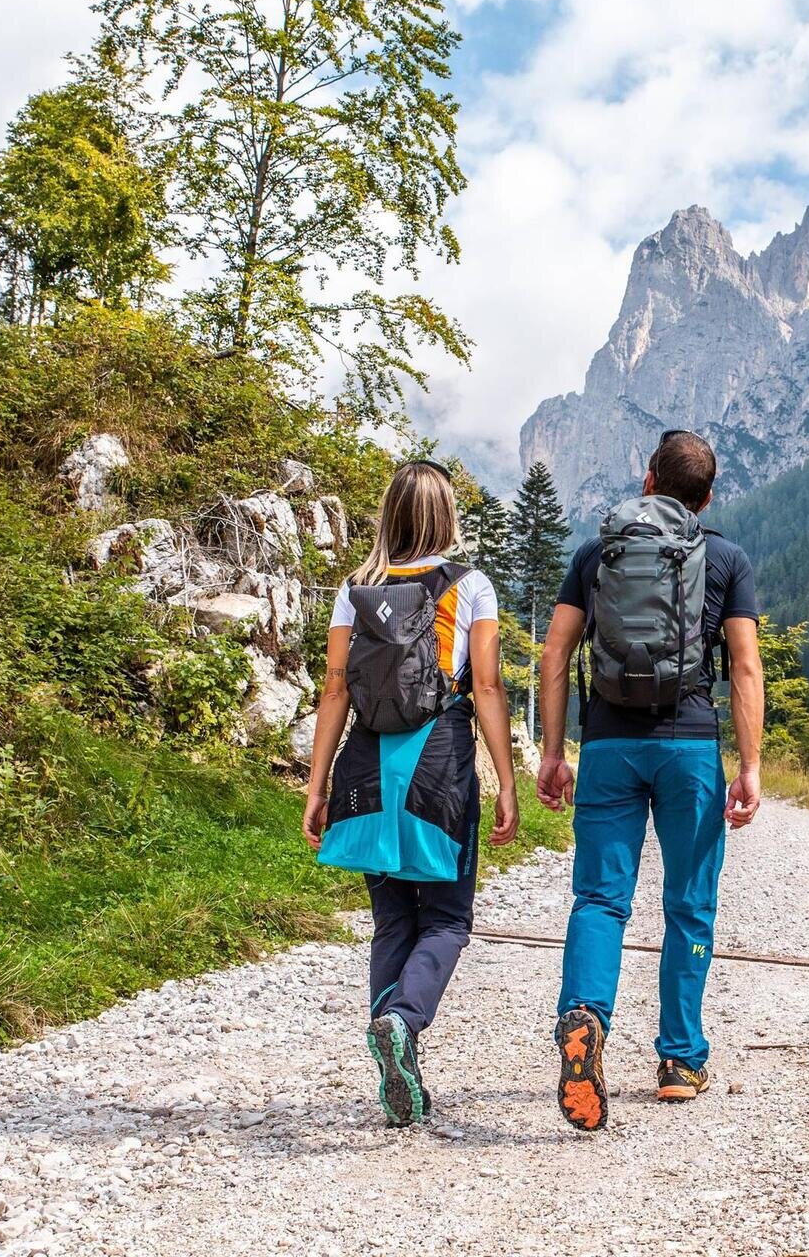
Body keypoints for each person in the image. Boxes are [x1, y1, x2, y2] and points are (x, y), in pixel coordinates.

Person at [536, 429, 764, 1132]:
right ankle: (679, 1060)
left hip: (607, 746)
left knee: (601, 898)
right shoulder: (725, 557)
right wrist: (751, 766)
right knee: (688, 904)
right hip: (689, 749)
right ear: (707, 496)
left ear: (647, 480)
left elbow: (554, 653)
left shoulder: (595, 553)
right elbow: (747, 668)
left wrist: (552, 750)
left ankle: (584, 1015)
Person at [301, 459, 519, 1127]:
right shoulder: (470, 586)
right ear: (447, 515)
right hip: (439, 762)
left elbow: (335, 689)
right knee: (448, 918)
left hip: (366, 763)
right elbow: (484, 686)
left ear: (389, 514)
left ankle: (395, 1053)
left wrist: (318, 786)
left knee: (394, 918)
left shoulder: (354, 589)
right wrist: (506, 778)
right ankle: (401, 1020)